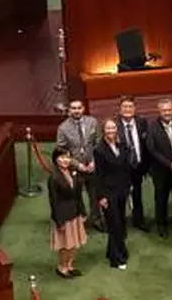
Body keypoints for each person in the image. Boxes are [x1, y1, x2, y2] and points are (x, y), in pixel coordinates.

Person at [56, 99, 101, 230]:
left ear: (83, 109)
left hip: (92, 166)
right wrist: (77, 165)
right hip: (75, 168)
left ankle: (96, 219)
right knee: (77, 197)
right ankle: (81, 221)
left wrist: (94, 160)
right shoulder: (63, 128)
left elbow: (97, 142)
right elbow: (61, 151)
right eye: (73, 108)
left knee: (95, 194)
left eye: (79, 108)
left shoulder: (92, 122)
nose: (76, 111)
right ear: (69, 111)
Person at [93, 120, 133, 269]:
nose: (111, 130)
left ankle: (113, 251)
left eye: (113, 128)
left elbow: (125, 168)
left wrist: (129, 186)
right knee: (114, 224)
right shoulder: (99, 149)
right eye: (108, 128)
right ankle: (116, 260)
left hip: (122, 190)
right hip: (108, 192)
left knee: (120, 222)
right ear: (103, 130)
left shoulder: (122, 146)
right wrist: (101, 196)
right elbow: (98, 175)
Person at [146, 98, 172, 237]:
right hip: (161, 170)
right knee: (161, 198)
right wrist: (169, 163)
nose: (167, 113)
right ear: (159, 111)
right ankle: (161, 224)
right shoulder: (152, 127)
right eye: (164, 110)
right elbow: (152, 150)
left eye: (169, 110)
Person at [47, 147, 87, 279]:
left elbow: (78, 195)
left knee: (75, 242)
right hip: (63, 216)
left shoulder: (73, 172)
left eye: (68, 157)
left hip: (75, 212)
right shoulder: (53, 178)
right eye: (62, 157)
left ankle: (70, 265)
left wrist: (83, 211)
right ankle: (62, 267)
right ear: (56, 159)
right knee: (65, 244)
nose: (65, 160)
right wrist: (59, 221)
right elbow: (54, 202)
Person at [114, 96, 149, 231]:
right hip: (121, 168)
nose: (127, 110)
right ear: (120, 109)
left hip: (137, 166)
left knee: (137, 194)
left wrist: (145, 166)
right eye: (125, 107)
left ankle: (139, 220)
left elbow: (145, 145)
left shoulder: (141, 122)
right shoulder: (114, 125)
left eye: (130, 107)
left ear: (134, 108)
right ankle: (120, 223)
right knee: (121, 195)